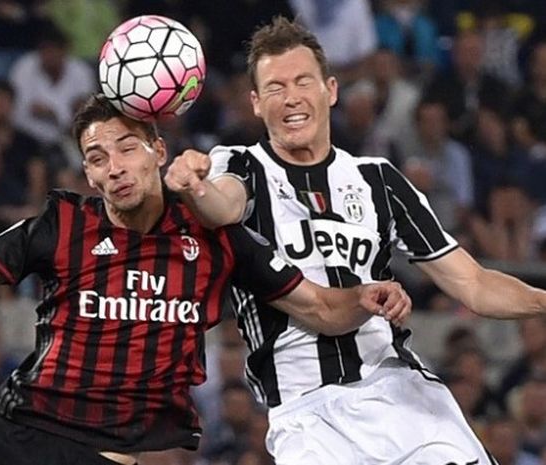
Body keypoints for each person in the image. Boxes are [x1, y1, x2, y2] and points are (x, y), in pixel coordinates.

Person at [0, 93, 410, 465]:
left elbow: (319, 307)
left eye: (126, 148)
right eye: (97, 157)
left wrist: (364, 296)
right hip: (8, 433)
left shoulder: (213, 234)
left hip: (103, 454)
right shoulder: (62, 225)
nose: (114, 167)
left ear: (158, 150)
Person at [165, 16, 546, 465]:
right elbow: (221, 205)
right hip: (307, 415)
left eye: (303, 81)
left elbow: (476, 285)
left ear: (331, 89)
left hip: (401, 396)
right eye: (275, 87)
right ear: (255, 103)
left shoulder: (378, 180)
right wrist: (195, 186)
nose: (291, 98)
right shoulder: (242, 166)